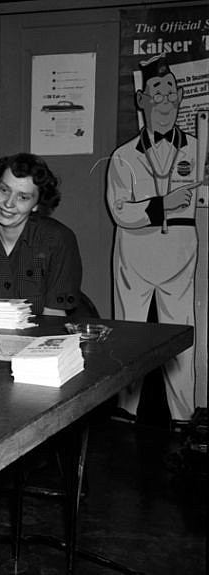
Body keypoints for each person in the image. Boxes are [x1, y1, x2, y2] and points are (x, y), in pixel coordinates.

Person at [106, 53, 198, 424]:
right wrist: (162, 204)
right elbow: (120, 210)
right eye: (156, 90)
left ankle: (183, 415)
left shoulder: (197, 148)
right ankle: (127, 411)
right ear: (142, 100)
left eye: (171, 90)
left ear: (179, 97)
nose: (165, 98)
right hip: (136, 254)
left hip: (179, 254)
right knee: (131, 333)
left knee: (182, 335)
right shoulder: (123, 157)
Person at [0, 152, 82, 317]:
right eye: (4, 190)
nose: (8, 203)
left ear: (36, 204)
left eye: (23, 197)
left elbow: (54, 318)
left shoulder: (59, 240)